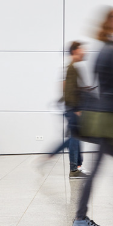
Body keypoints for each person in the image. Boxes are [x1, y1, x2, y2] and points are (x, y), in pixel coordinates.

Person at [73, 8, 113, 226]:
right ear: (111, 22)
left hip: (105, 117)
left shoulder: (104, 50)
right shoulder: (111, 50)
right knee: (100, 167)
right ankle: (80, 218)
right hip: (108, 121)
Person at [43, 41, 88, 178]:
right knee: (74, 139)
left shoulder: (72, 67)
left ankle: (76, 166)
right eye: (82, 49)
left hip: (71, 108)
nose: (84, 52)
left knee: (75, 138)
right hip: (73, 109)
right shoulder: (71, 68)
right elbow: (69, 91)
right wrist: (76, 108)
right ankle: (74, 169)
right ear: (74, 51)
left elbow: (65, 88)